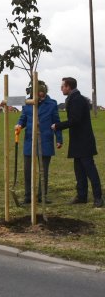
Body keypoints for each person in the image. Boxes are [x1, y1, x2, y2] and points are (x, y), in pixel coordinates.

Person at [51, 77, 103, 207]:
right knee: (79, 170)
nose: (61, 88)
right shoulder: (73, 99)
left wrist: (57, 126)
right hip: (77, 140)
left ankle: (98, 197)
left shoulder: (77, 100)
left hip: (84, 141)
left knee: (90, 169)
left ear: (69, 86)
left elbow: (75, 120)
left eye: (63, 86)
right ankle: (82, 196)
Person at [15, 81, 62, 204]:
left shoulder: (52, 104)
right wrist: (19, 125)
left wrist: (59, 139)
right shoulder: (27, 103)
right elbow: (23, 119)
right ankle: (27, 196)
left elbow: (56, 122)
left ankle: (43, 196)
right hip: (29, 141)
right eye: (38, 95)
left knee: (43, 171)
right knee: (27, 171)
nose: (40, 97)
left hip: (45, 140)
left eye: (42, 95)